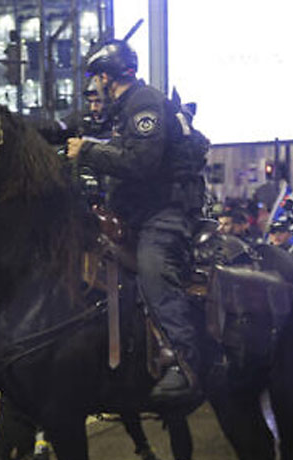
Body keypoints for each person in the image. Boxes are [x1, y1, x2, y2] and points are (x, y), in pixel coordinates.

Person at [67, 39, 208, 405]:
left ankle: (182, 361)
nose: (95, 89)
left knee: (153, 267)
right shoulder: (123, 110)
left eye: (97, 79)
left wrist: (90, 151)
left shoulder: (144, 103)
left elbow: (140, 161)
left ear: (105, 76)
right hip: (136, 214)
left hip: (165, 214)